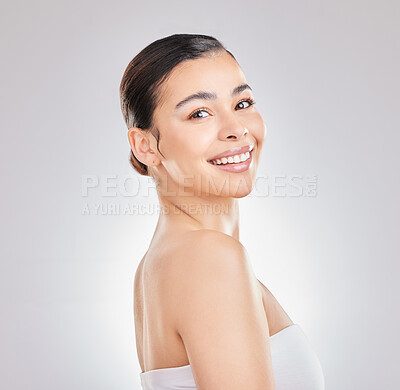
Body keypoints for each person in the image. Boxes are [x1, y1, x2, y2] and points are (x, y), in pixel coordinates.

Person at [119, 33, 325, 390]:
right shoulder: (208, 258)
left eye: (243, 103)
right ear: (145, 146)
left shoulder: (161, 263)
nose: (236, 129)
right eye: (199, 113)